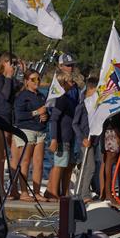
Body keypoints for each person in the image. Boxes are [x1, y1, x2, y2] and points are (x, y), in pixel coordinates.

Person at [0, 53, 24, 197]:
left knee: (16, 154)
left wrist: (21, 73)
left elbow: (22, 89)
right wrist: (9, 76)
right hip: (0, 118)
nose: (14, 66)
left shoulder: (13, 79)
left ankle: (14, 188)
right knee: (1, 154)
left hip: (12, 119)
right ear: (4, 63)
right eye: (12, 63)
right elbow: (5, 94)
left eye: (15, 63)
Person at [12, 69, 49, 202]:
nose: (37, 81)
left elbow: (45, 112)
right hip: (26, 131)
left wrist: (45, 116)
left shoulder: (41, 95)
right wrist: (36, 113)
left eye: (38, 79)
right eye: (33, 79)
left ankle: (37, 192)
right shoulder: (22, 96)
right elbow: (19, 116)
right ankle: (24, 192)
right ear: (26, 81)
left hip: (40, 131)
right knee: (25, 162)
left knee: (38, 163)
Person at [46, 71, 79, 199]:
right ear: (64, 83)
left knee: (69, 165)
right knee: (59, 164)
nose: (73, 83)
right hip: (61, 137)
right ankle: (53, 191)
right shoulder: (60, 99)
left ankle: (64, 192)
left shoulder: (68, 98)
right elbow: (54, 119)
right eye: (70, 81)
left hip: (70, 136)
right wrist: (54, 139)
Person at [72, 76, 99, 202]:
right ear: (90, 89)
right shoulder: (82, 106)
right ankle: (84, 194)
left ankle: (78, 193)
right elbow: (75, 124)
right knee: (90, 167)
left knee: (86, 166)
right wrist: (82, 138)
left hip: (93, 140)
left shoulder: (95, 106)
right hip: (84, 141)